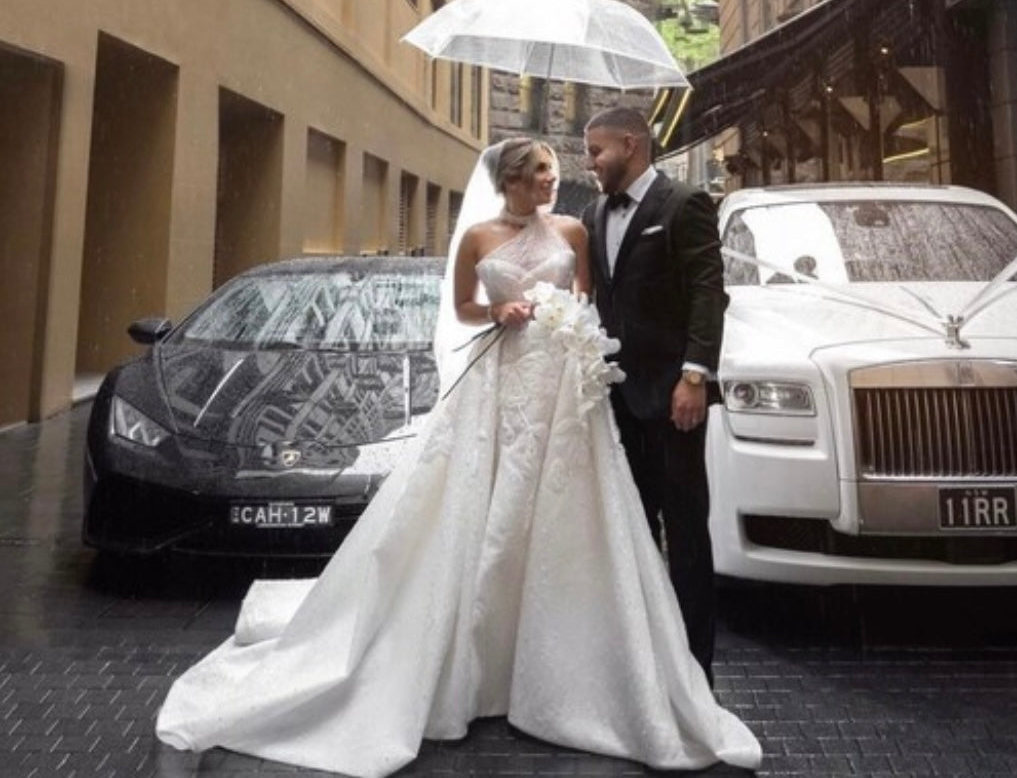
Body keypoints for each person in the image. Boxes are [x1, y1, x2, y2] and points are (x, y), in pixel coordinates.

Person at [156, 137, 761, 778]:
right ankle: (476, 655)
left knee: (568, 512)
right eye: (540, 173)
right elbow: (463, 308)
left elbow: (589, 301)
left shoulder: (574, 230)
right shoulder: (476, 237)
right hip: (502, 380)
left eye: (554, 171)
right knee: (487, 503)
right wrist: (498, 309)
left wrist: (575, 327)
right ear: (511, 180)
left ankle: (570, 660)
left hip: (563, 388)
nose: (552, 180)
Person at [583, 106, 727, 683]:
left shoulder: (684, 203)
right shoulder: (593, 212)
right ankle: (644, 669)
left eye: (596, 151)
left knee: (686, 532)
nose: (590, 163)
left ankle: (696, 673)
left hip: (673, 401)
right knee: (634, 532)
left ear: (630, 143)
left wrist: (694, 377)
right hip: (615, 403)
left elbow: (707, 292)